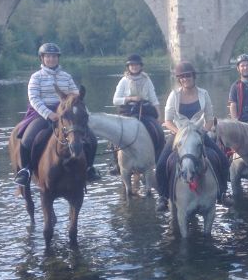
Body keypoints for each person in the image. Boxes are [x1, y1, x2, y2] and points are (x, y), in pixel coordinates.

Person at [13, 42, 100, 185]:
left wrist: (84, 114)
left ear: (58, 58)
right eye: (48, 56)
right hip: (41, 112)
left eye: (54, 56)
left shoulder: (66, 77)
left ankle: (89, 168)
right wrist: (48, 114)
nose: (51, 59)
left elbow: (77, 97)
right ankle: (25, 170)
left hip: (66, 112)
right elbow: (34, 98)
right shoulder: (36, 77)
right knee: (27, 138)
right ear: (42, 58)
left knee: (91, 138)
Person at [154, 61, 232, 210]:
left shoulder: (204, 94)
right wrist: (181, 134)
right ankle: (163, 196)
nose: (185, 79)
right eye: (182, 77)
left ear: (193, 76)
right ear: (179, 79)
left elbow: (209, 119)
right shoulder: (174, 95)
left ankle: (223, 192)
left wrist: (200, 132)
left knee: (223, 159)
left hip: (199, 134)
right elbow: (168, 121)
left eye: (187, 75)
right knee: (161, 164)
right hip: (179, 135)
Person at [109, 54, 165, 175]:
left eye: (136, 65)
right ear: (128, 67)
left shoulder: (147, 79)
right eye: (132, 65)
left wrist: (159, 115)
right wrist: (130, 98)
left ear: (140, 66)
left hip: (145, 110)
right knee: (116, 134)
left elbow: (153, 98)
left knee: (157, 129)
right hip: (128, 111)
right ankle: (116, 163)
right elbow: (115, 100)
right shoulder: (124, 80)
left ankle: (159, 156)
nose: (134, 67)